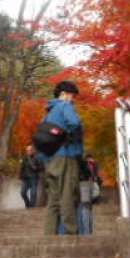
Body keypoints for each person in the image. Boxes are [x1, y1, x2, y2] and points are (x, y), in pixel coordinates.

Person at [41, 80, 83, 235]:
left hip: (50, 159)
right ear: (64, 94)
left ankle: (49, 235)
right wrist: (69, 137)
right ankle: (72, 234)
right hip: (65, 155)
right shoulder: (64, 106)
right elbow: (74, 122)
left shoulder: (48, 113)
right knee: (67, 194)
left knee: (53, 199)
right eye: (72, 96)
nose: (73, 100)